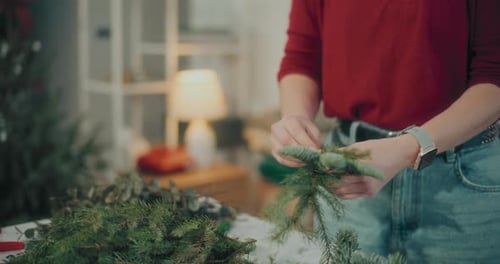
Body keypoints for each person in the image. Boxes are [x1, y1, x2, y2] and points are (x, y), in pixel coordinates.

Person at [270, 0, 500, 263]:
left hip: (462, 186)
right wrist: (295, 117)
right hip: (349, 180)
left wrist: (407, 148)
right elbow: (302, 58)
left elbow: (493, 75)